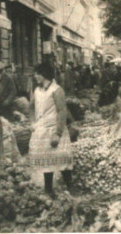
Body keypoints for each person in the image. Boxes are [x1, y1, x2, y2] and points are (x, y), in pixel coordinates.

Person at [29, 62, 73, 195]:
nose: (35, 76)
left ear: (45, 74)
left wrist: (58, 133)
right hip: (41, 130)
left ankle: (70, 187)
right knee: (46, 161)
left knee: (62, 158)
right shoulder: (37, 90)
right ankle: (49, 189)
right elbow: (31, 106)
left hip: (54, 129)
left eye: (37, 74)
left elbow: (62, 111)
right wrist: (32, 122)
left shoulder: (56, 90)